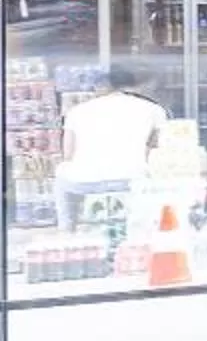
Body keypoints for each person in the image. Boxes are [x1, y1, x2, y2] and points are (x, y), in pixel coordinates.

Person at [56, 62, 167, 229]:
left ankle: (67, 227)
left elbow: (68, 154)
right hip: (132, 180)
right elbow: (157, 150)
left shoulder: (77, 111)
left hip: (84, 182)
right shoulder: (154, 109)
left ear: (105, 86)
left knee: (61, 173)